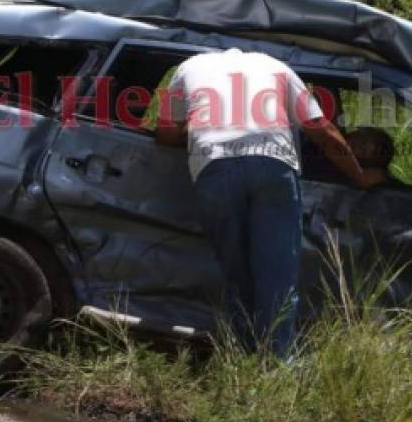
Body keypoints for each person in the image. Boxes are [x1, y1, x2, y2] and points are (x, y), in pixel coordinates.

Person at [155, 48, 385, 358]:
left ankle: (241, 356)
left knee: (236, 275)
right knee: (277, 276)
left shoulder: (187, 68)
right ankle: (275, 364)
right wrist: (358, 177)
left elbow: (165, 134)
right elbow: (322, 130)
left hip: (213, 166)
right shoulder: (279, 68)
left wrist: (206, 128)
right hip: (271, 165)